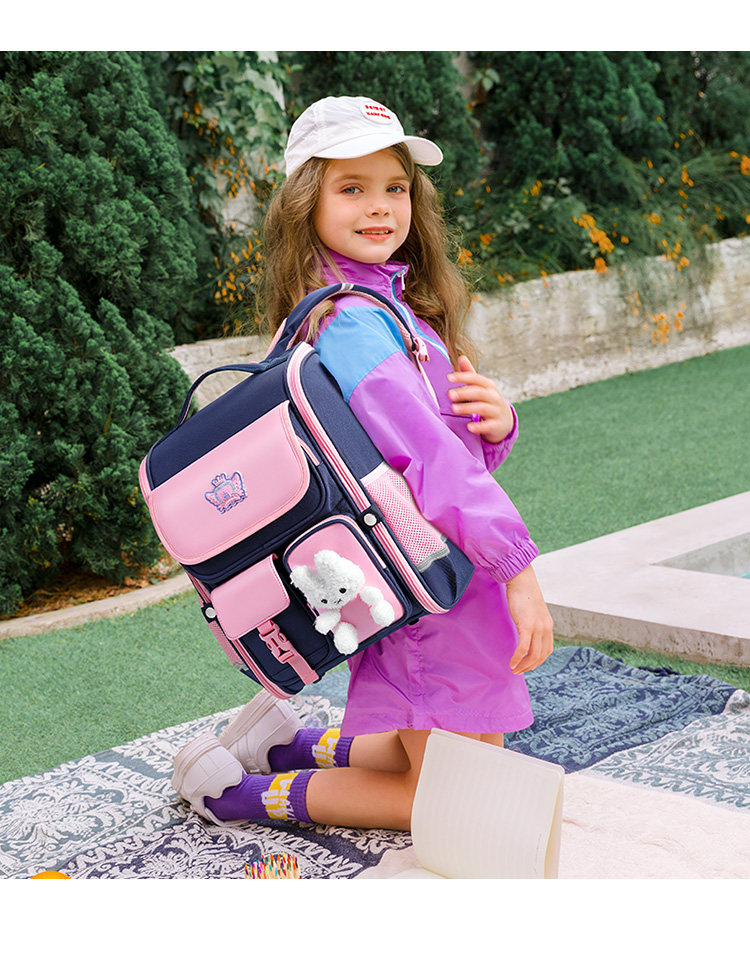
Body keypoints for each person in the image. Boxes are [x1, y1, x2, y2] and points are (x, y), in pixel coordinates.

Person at [171, 96, 554, 832]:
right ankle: (230, 795)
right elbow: (428, 458)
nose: (380, 206)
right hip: (427, 586)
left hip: (441, 571)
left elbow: (445, 442)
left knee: (470, 765)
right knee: (453, 804)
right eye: (352, 188)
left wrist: (499, 423)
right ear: (306, 204)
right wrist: (518, 568)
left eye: (395, 187)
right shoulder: (352, 322)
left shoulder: (386, 305)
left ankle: (287, 745)